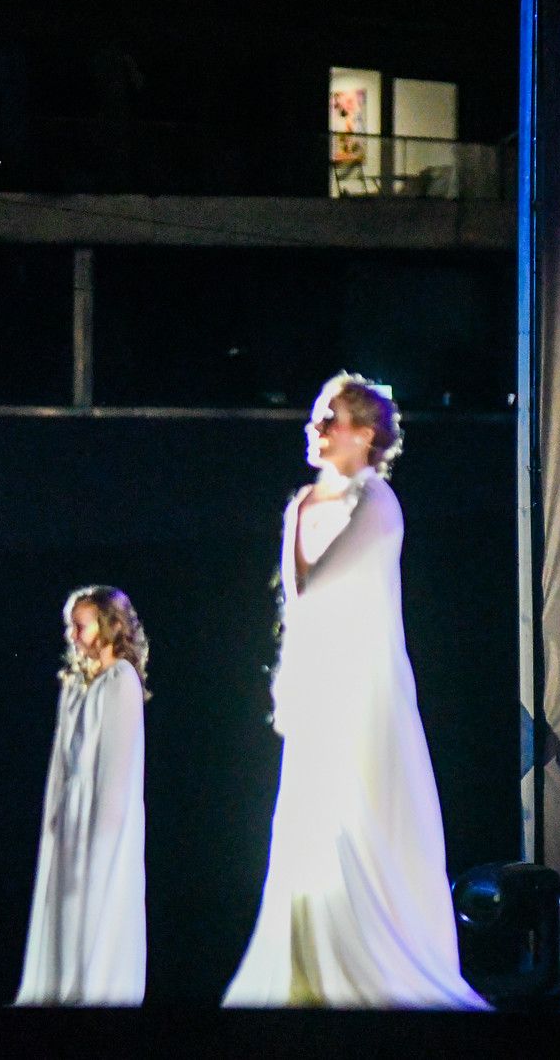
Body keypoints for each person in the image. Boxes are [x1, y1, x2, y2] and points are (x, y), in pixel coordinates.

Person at [223, 374, 487, 1009]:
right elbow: (299, 604)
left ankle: (374, 969)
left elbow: (324, 586)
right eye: (317, 416)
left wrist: (305, 522)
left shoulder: (377, 503)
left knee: (361, 817)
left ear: (365, 436)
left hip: (364, 690)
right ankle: (309, 970)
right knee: (312, 823)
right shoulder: (304, 504)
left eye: (331, 418)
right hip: (321, 688)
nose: (316, 427)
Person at [16, 586, 148, 1006]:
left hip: (103, 822)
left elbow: (117, 766)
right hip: (71, 818)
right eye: (70, 626)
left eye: (81, 626)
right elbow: (64, 762)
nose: (73, 635)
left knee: (97, 911)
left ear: (109, 627)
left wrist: (104, 834)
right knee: (66, 911)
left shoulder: (121, 681)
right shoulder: (76, 683)